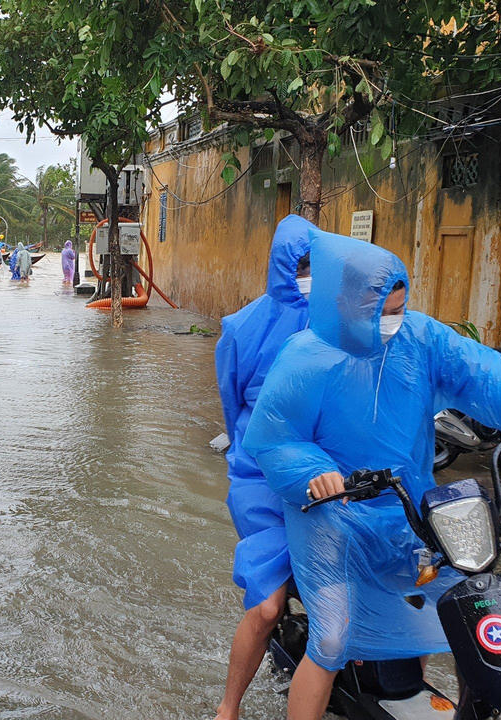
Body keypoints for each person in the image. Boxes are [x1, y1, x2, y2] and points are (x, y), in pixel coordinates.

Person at [242, 234, 501, 720]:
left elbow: (479, 371)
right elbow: (274, 439)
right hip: (332, 517)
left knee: (463, 607)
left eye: (398, 307)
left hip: (411, 508)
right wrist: (316, 473)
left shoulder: (419, 339)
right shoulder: (305, 358)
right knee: (333, 635)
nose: (392, 320)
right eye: (382, 310)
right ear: (346, 301)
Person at [213, 215, 344, 720]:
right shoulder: (243, 327)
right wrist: (253, 456)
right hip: (260, 480)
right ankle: (229, 707)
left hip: (327, 475)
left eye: (317, 264)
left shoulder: (337, 321)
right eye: (302, 264)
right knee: (266, 607)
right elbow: (232, 406)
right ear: (282, 265)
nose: (309, 274)